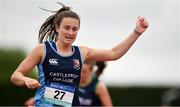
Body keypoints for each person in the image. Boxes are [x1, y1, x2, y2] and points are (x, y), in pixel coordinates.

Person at [10, 2, 149, 107]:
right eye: (67, 28)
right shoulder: (43, 50)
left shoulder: (81, 52)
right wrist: (25, 80)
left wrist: (136, 32)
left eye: (75, 29)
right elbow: (15, 76)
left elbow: (114, 53)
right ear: (57, 27)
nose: (71, 33)